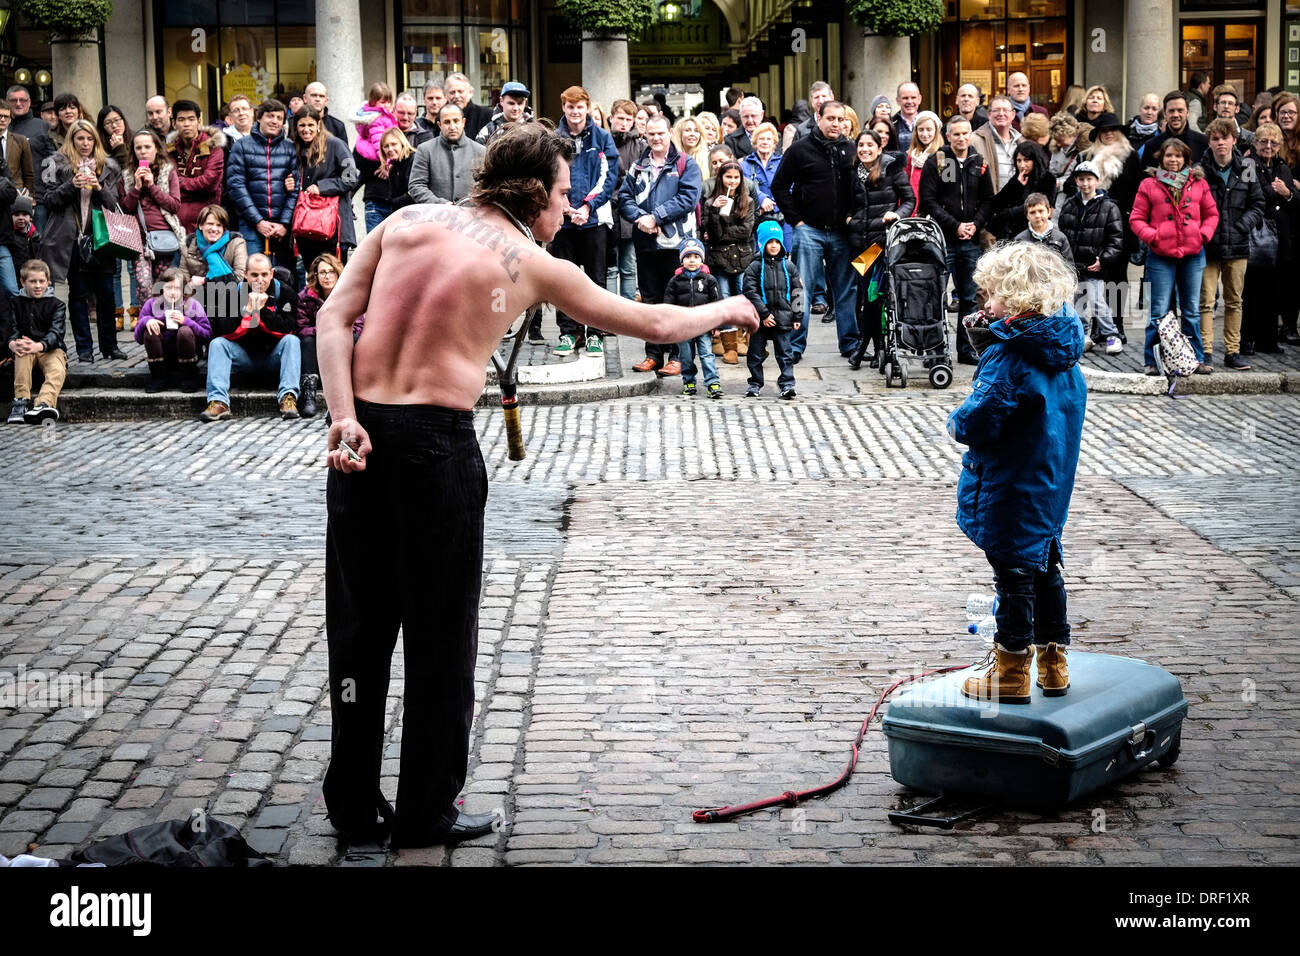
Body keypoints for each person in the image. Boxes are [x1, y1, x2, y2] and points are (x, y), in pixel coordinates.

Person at [313, 122, 757, 847]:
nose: (566, 206)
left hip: (361, 442)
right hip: (436, 449)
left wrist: (343, 419)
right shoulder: (530, 261)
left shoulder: (407, 219)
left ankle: (353, 805)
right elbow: (650, 320)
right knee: (440, 638)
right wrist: (727, 308)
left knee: (359, 634)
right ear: (531, 195)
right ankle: (426, 811)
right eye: (560, 192)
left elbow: (334, 316)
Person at [948, 242, 1086, 703]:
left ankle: (1010, 669)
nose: (986, 305)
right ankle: (1054, 663)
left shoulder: (1011, 356)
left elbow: (981, 419)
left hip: (1011, 487)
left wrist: (956, 421)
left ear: (1019, 298)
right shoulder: (1062, 349)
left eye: (993, 296)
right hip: (1049, 483)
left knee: (1012, 576)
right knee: (1046, 567)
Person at [771, 100, 860, 360]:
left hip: (842, 233)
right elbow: (779, 186)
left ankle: (850, 344)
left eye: (840, 119)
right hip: (808, 229)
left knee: (846, 291)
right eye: (830, 118)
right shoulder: (800, 150)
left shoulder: (851, 150)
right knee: (802, 291)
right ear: (818, 118)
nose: (836, 124)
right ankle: (796, 346)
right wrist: (795, 220)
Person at [620, 113, 703, 375]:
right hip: (646, 243)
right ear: (646, 135)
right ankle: (653, 353)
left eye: (660, 133)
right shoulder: (637, 166)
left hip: (676, 244)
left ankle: (679, 356)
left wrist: (657, 216)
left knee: (678, 300)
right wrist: (642, 219)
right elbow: (624, 198)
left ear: (669, 134)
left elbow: (688, 198)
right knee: (650, 300)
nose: (656, 138)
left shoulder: (685, 164)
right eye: (651, 134)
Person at [1129, 137, 1218, 375]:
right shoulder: (1149, 184)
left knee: (1190, 311)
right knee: (1158, 311)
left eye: (1178, 156)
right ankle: (1152, 360)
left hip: (1192, 254)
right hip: (1160, 255)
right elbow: (1136, 219)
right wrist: (1153, 236)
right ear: (1161, 158)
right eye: (1169, 155)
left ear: (1186, 159)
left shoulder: (1198, 183)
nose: (1173, 160)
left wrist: (1202, 235)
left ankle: (1195, 358)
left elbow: (1212, 214)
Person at [41, 119, 123, 362]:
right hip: (72, 240)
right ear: (72, 140)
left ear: (95, 141)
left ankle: (110, 346)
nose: (85, 143)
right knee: (78, 295)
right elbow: (49, 200)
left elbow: (114, 204)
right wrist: (71, 185)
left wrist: (98, 187)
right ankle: (84, 349)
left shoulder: (107, 166)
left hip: (102, 239)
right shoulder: (55, 163)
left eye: (90, 139)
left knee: (106, 295)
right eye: (80, 138)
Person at [918, 116, 995, 364]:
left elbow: (987, 200)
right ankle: (935, 350)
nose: (961, 138)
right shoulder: (938, 161)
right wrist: (955, 225)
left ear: (970, 134)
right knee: (936, 295)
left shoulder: (978, 162)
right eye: (956, 134)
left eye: (965, 133)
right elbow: (928, 200)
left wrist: (975, 225)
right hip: (943, 239)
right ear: (948, 136)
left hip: (970, 241)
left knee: (970, 298)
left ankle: (967, 349)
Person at [551, 86, 620, 357]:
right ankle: (569, 332)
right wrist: (565, 205)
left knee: (595, 280)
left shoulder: (602, 137)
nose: (575, 112)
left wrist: (589, 206)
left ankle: (595, 332)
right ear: (564, 108)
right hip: (563, 222)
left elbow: (609, 175)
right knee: (563, 281)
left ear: (587, 108)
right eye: (570, 107)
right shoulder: (553, 138)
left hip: (593, 221)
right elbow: (549, 174)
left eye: (579, 107)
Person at [1196, 118, 1265, 370]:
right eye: (1215, 138)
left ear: (1234, 140)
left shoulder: (1246, 167)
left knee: (1234, 301)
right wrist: (1205, 233)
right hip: (1209, 247)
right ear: (1210, 141)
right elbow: (1193, 207)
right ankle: (1205, 351)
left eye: (1225, 138)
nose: (1220, 143)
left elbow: (1257, 204)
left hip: (1237, 246)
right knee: (1205, 301)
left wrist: (1241, 226)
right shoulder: (1199, 170)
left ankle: (1232, 352)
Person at [201, 252, 301, 421]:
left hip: (273, 356)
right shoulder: (232, 294)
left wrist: (261, 310)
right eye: (254, 275)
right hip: (243, 356)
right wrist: (247, 310)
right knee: (217, 344)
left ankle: (288, 398)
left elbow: (288, 328)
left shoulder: (285, 293)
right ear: (246, 274)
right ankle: (218, 401)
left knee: (292, 341)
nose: (259, 280)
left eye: (264, 274)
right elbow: (222, 330)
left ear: (271, 274)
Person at [847, 128, 914, 366]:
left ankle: (865, 346)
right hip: (859, 244)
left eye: (870, 145)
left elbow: (909, 199)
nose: (865, 149)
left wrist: (895, 214)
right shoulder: (854, 171)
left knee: (875, 297)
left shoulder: (891, 169)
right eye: (861, 145)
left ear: (879, 148)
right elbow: (846, 202)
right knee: (867, 298)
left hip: (880, 243)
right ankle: (877, 350)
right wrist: (849, 219)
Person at [1057, 160, 1125, 354]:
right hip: (1074, 265)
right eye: (1081, 179)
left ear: (1097, 181)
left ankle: (1112, 335)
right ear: (1076, 181)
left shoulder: (1109, 207)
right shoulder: (1070, 205)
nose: (1085, 184)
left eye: (1089, 179)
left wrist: (1103, 259)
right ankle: (1084, 334)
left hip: (1096, 264)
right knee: (1078, 303)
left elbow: (1116, 238)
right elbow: (1063, 235)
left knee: (1097, 301)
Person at [1241, 123, 1295, 355]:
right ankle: (1247, 340)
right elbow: (1251, 193)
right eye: (1264, 141)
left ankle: (1268, 340)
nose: (1269, 146)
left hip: (1280, 238)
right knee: (1252, 291)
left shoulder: (1283, 167)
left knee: (1273, 291)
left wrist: (1288, 193)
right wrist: (1279, 192)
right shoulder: (1248, 164)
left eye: (1274, 142)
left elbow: (1295, 198)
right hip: (1257, 236)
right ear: (1255, 143)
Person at [225, 98, 298, 269]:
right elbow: (236, 187)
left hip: (282, 227)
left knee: (283, 277)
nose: (274, 121)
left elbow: (295, 189)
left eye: (279, 118)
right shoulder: (241, 146)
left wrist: (285, 223)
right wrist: (258, 221)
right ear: (259, 118)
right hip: (251, 225)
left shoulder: (290, 148)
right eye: (270, 116)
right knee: (252, 274)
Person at [121, 128, 185, 307]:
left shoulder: (168, 172)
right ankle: (146, 320)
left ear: (157, 148)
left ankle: (162, 324)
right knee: (143, 283)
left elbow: (174, 206)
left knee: (160, 285)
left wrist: (152, 186)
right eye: (138, 147)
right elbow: (125, 209)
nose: (143, 151)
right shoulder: (127, 175)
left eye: (147, 146)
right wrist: (137, 188)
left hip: (163, 237)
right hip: (138, 238)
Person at [289, 106, 360, 267]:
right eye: (302, 125)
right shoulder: (294, 148)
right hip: (305, 224)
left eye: (310, 125)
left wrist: (322, 187)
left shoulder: (336, 144)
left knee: (334, 274)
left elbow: (351, 177)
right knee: (312, 274)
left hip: (334, 225)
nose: (306, 130)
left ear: (318, 124)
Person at [701, 159, 755, 364]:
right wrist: (715, 212)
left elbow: (745, 232)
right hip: (719, 258)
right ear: (720, 179)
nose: (732, 181)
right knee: (723, 297)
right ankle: (729, 345)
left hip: (741, 256)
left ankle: (745, 339)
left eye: (735, 177)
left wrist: (724, 233)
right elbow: (712, 234)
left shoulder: (747, 201)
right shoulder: (709, 203)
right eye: (728, 177)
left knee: (743, 294)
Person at [296, 252, 361, 418]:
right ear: (315, 275)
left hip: (342, 349)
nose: (327, 276)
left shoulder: (350, 295)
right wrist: (325, 332)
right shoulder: (305, 297)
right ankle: (309, 393)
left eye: (331, 271)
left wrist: (337, 333)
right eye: (322, 272)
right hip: (317, 351)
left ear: (338, 273)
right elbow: (300, 327)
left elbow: (360, 325)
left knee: (355, 338)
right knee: (307, 340)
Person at [742, 219, 802, 398]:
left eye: (777, 242)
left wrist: (798, 316)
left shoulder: (789, 267)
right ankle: (755, 383)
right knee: (755, 354)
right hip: (760, 320)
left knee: (785, 354)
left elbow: (798, 292)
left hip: (783, 317)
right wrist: (764, 314)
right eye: (770, 242)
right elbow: (750, 292)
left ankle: (787, 383)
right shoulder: (754, 266)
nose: (774, 246)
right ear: (762, 243)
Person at [5, 258, 67, 424]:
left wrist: (39, 345)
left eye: (41, 281)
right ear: (23, 282)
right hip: (26, 348)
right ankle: (21, 401)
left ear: (48, 282)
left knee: (57, 370)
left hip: (50, 348)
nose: (38, 285)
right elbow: (11, 328)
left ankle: (44, 403)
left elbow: (57, 332)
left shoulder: (57, 305)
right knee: (22, 353)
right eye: (32, 281)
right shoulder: (15, 303)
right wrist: (13, 343)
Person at [133, 266, 209, 392]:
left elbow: (207, 334)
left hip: (189, 354)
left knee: (185, 331)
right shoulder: (152, 304)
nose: (173, 292)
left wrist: (186, 321)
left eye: (177, 288)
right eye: (169, 287)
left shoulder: (193, 305)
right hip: (162, 354)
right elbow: (138, 338)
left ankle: (189, 377)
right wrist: (147, 321)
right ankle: (158, 377)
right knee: (150, 331)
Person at [666, 237, 722, 397]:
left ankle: (713, 382)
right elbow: (669, 304)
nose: (692, 261)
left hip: (703, 325)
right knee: (685, 355)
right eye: (688, 257)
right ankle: (689, 381)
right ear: (682, 260)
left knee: (706, 354)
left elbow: (716, 303)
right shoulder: (675, 281)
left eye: (696, 257)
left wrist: (716, 325)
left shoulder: (709, 280)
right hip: (683, 327)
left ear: (702, 259)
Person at [166, 99, 226, 235]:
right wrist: (195, 188)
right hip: (175, 222)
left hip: (206, 221)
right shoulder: (170, 150)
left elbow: (209, 183)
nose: (186, 124)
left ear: (199, 122)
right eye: (181, 120)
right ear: (174, 123)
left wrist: (179, 182)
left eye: (191, 119)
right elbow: (167, 185)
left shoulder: (213, 147)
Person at [407, 105, 486, 204]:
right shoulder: (425, 150)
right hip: (436, 216)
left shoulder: (481, 151)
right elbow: (416, 186)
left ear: (463, 122)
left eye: (456, 121)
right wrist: (440, 204)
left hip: (472, 215)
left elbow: (487, 187)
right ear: (439, 125)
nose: (452, 127)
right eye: (447, 122)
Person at [987, 140, 1054, 242]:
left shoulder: (1047, 179)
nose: (1022, 165)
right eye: (1019, 161)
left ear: (1034, 160)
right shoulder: (1017, 179)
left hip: (1033, 234)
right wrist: (1015, 185)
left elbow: (1037, 206)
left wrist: (1007, 213)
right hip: (1009, 234)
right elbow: (995, 204)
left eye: (1026, 160)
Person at [971, 95, 1024, 192]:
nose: (1001, 114)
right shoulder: (975, 140)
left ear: (1013, 114)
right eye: (996, 110)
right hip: (989, 203)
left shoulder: (1021, 142)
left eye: (1005, 110)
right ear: (989, 114)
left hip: (1017, 204)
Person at [1141, 91, 1209, 165]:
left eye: (1180, 110)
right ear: (1164, 114)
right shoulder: (1151, 146)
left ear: (1188, 112)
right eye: (1171, 111)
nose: (1176, 115)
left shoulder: (1203, 143)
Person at [1015, 192, 1073, 264]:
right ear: (1027, 216)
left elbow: (1070, 267)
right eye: (1032, 212)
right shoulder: (1020, 240)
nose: (1037, 216)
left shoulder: (1060, 238)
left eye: (1041, 211)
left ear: (1049, 212)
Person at [348, 82, 397, 167]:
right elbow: (379, 143)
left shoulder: (384, 115)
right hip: (379, 158)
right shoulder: (376, 120)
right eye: (383, 102)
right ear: (373, 102)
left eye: (389, 102)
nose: (387, 105)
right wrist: (387, 162)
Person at [904, 111, 943, 214]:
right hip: (915, 210)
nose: (925, 134)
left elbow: (950, 188)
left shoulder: (944, 155)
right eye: (921, 130)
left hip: (937, 211)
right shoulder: (910, 155)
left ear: (936, 131)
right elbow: (905, 185)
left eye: (929, 129)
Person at [375, 128, 417, 213]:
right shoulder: (393, 170)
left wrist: (398, 201)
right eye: (386, 146)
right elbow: (392, 201)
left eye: (394, 144)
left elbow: (415, 194)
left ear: (402, 143)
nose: (390, 149)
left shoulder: (415, 160)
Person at [443, 72, 494, 141]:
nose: (456, 96)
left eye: (460, 91)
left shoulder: (486, 115)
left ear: (470, 93)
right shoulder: (441, 117)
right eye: (452, 92)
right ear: (446, 96)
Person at [0, 102, 34, 197]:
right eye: (0, 116)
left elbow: (28, 173)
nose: (2, 119)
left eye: (6, 116)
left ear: (10, 120)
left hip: (16, 191)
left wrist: (29, 195)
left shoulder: (20, 140)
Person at [892, 82, 923, 153]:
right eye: (905, 98)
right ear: (898, 101)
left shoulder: (930, 122)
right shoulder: (890, 124)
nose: (909, 101)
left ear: (919, 99)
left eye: (913, 97)